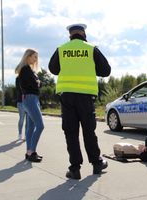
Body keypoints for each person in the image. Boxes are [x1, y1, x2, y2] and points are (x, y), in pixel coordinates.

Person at [48, 23, 111, 179]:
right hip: (86, 97)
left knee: (71, 132)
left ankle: (75, 169)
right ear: (84, 34)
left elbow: (53, 69)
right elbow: (106, 71)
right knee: (89, 131)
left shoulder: (61, 49)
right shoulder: (91, 48)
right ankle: (96, 163)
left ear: (70, 36)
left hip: (67, 97)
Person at [15, 49, 44, 163]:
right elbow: (35, 84)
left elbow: (38, 84)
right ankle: (31, 151)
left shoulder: (29, 70)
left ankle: (29, 152)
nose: (36, 59)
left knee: (31, 127)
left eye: (37, 57)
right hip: (30, 98)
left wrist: (37, 82)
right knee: (40, 125)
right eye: (34, 57)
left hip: (32, 99)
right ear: (28, 56)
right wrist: (37, 82)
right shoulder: (26, 69)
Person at [15, 76, 26, 141]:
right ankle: (20, 134)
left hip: (28, 100)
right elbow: (18, 88)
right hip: (21, 101)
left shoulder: (29, 76)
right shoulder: (18, 78)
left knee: (28, 120)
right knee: (22, 118)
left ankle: (26, 135)